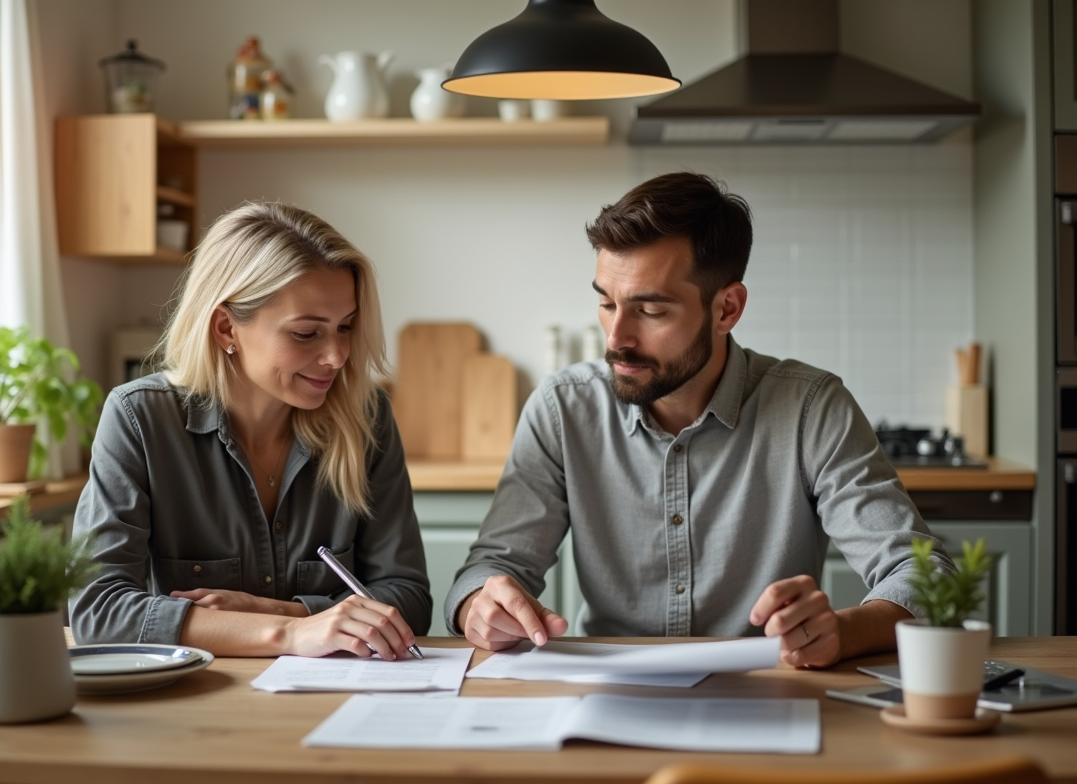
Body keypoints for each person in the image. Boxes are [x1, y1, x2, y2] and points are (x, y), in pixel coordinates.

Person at [444, 172, 951, 668]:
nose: (616, 337)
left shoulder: (810, 409)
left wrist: (841, 632)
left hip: (769, 697)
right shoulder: (562, 410)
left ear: (727, 308)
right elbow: (491, 570)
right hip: (610, 696)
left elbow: (927, 578)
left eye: (651, 311)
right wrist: (481, 607)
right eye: (606, 302)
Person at [71, 201, 431, 661]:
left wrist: (273, 610)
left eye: (346, 327)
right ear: (226, 328)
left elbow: (409, 600)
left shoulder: (367, 417)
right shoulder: (139, 419)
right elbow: (97, 611)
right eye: (306, 333)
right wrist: (288, 632)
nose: (337, 356)